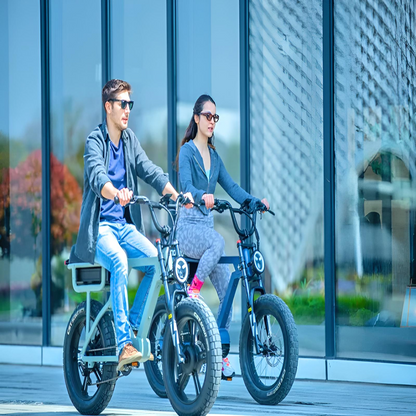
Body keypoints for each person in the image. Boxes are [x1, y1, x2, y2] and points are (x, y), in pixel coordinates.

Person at [74, 79, 192, 371]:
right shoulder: (95, 140)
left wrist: (176, 195)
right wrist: (116, 193)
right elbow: (96, 175)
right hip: (100, 229)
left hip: (124, 228)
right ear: (108, 107)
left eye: (130, 104)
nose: (128, 110)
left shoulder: (129, 140)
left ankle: (133, 327)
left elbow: (149, 169)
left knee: (157, 261)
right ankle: (123, 343)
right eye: (123, 104)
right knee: (119, 260)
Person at [176, 94, 269, 379]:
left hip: (205, 230)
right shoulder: (188, 152)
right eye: (207, 116)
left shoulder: (214, 157)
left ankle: (217, 353)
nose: (211, 121)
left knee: (229, 287)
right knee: (218, 241)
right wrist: (199, 196)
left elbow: (231, 186)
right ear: (196, 118)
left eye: (215, 117)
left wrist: (254, 202)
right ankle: (193, 291)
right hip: (188, 228)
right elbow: (185, 185)